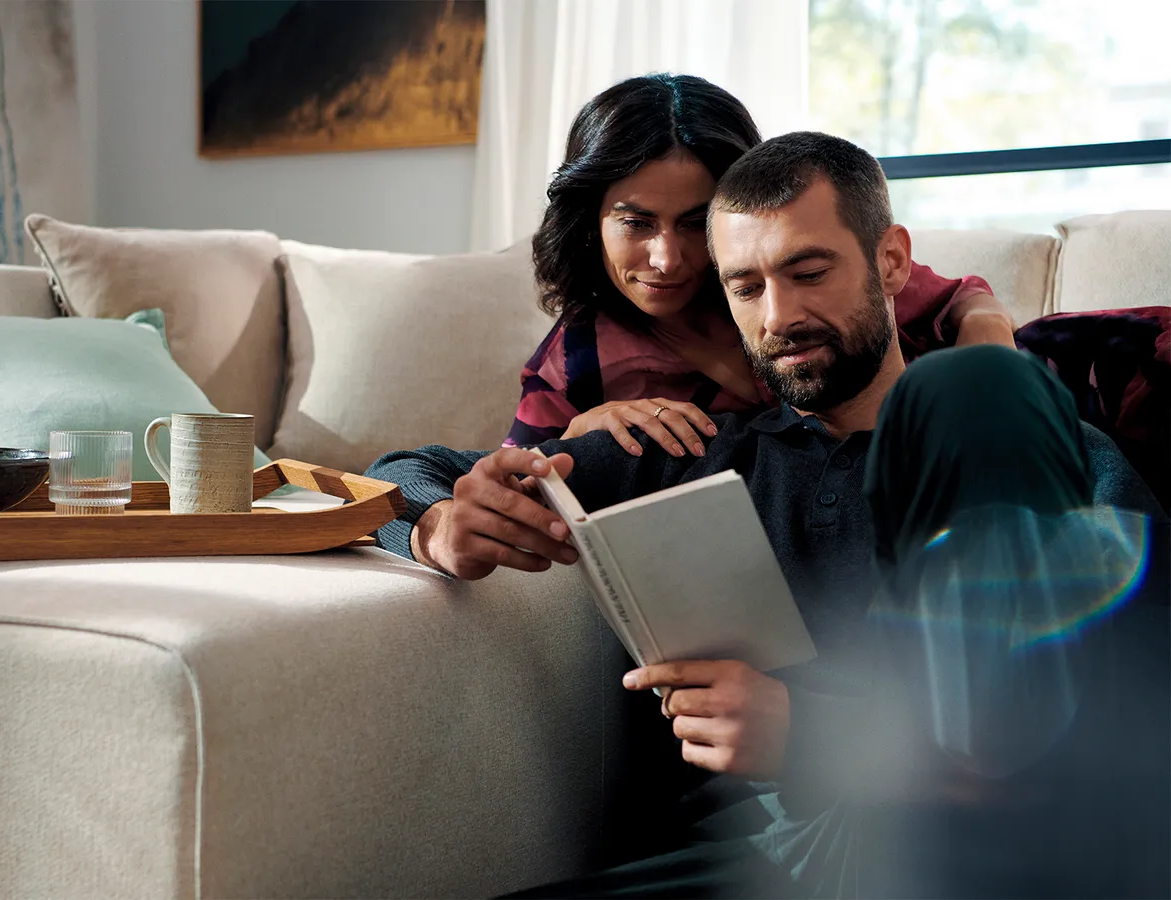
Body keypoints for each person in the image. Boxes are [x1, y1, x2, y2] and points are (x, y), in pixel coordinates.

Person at [367, 132, 1168, 898]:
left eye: (808, 271)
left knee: (974, 391)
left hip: (977, 848)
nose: (777, 315)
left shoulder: (1029, 447)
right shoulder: (685, 447)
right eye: (746, 287)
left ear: (892, 261)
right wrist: (438, 528)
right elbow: (393, 478)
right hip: (755, 867)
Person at [504, 74, 1017, 457]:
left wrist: (989, 344)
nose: (666, 259)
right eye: (636, 223)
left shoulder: (807, 276)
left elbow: (959, 298)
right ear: (589, 222)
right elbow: (506, 487)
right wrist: (580, 438)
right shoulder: (575, 364)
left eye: (694, 223)